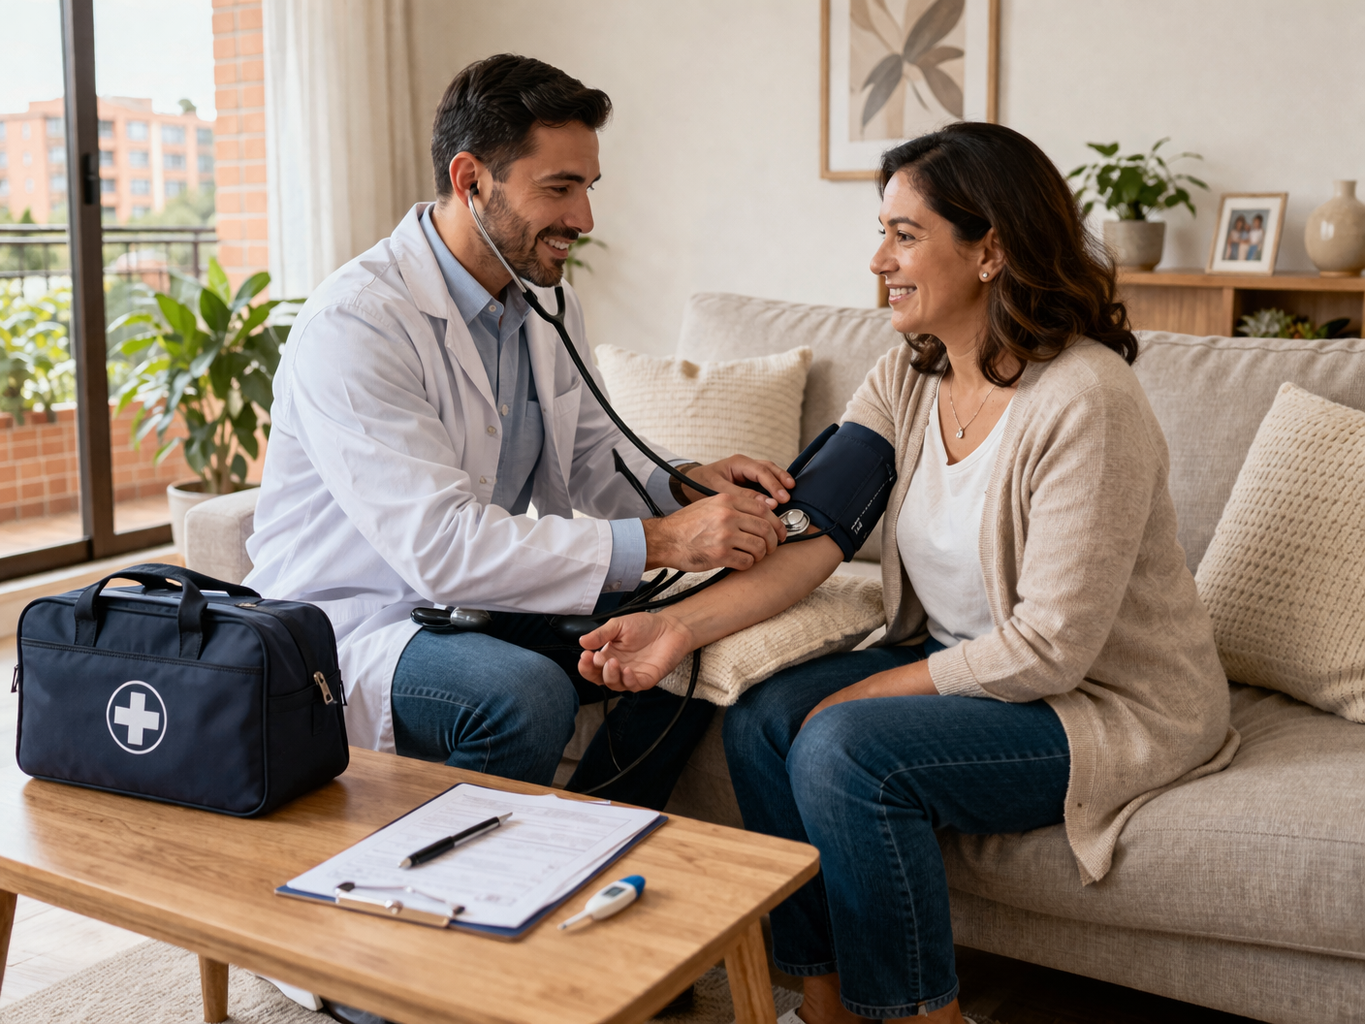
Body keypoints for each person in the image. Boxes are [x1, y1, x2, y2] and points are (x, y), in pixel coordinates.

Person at [574, 122, 1238, 1024]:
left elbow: (1049, 649)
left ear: (991, 248)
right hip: (976, 662)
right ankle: (824, 1003)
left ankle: (918, 1015)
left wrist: (865, 696)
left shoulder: (1085, 401)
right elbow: (813, 537)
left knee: (845, 748)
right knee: (765, 715)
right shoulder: (905, 376)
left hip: (1099, 701)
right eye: (880, 230)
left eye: (904, 233)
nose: (877, 258)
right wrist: (677, 628)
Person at [244, 54, 794, 810]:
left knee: (691, 634)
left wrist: (683, 481)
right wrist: (668, 540)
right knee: (522, 695)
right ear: (472, 180)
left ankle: (588, 830)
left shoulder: (541, 301)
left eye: (587, 188)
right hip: (358, 619)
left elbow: (593, 455)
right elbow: (439, 547)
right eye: (559, 188)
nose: (584, 219)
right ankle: (462, 896)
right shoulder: (358, 323)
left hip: (473, 600)